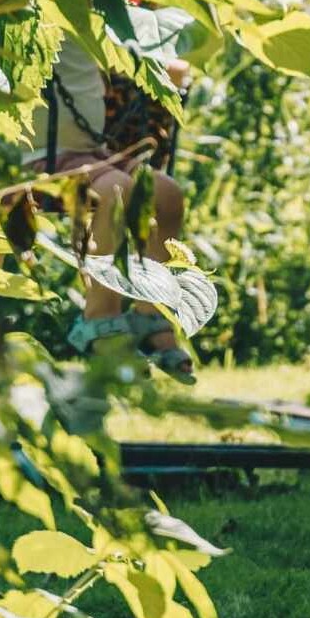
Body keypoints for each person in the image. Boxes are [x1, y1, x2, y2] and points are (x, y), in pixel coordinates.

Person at [34, 37, 196, 381]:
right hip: (36, 156)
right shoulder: (30, 7)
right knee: (116, 191)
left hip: (89, 153)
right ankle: (99, 317)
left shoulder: (82, 5)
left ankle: (152, 312)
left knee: (166, 194)